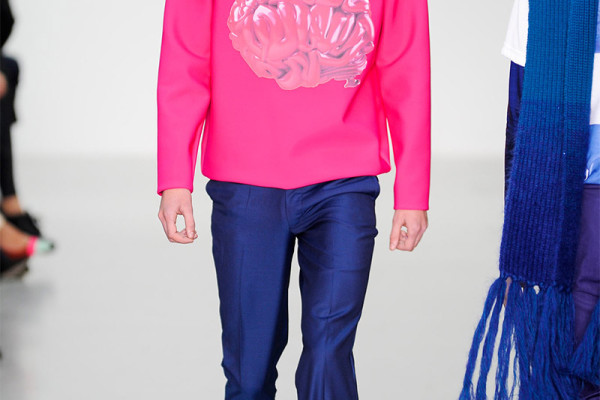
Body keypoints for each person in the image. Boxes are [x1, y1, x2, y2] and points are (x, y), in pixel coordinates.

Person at [156, 0, 431, 398]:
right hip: (245, 180)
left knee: (328, 360)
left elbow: (406, 65)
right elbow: (186, 55)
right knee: (249, 372)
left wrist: (413, 191)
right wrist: (174, 177)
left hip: (344, 178)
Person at [459, 1, 599, 399]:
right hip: (573, 180)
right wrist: (518, 234)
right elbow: (519, 115)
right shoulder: (534, 5)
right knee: (573, 333)